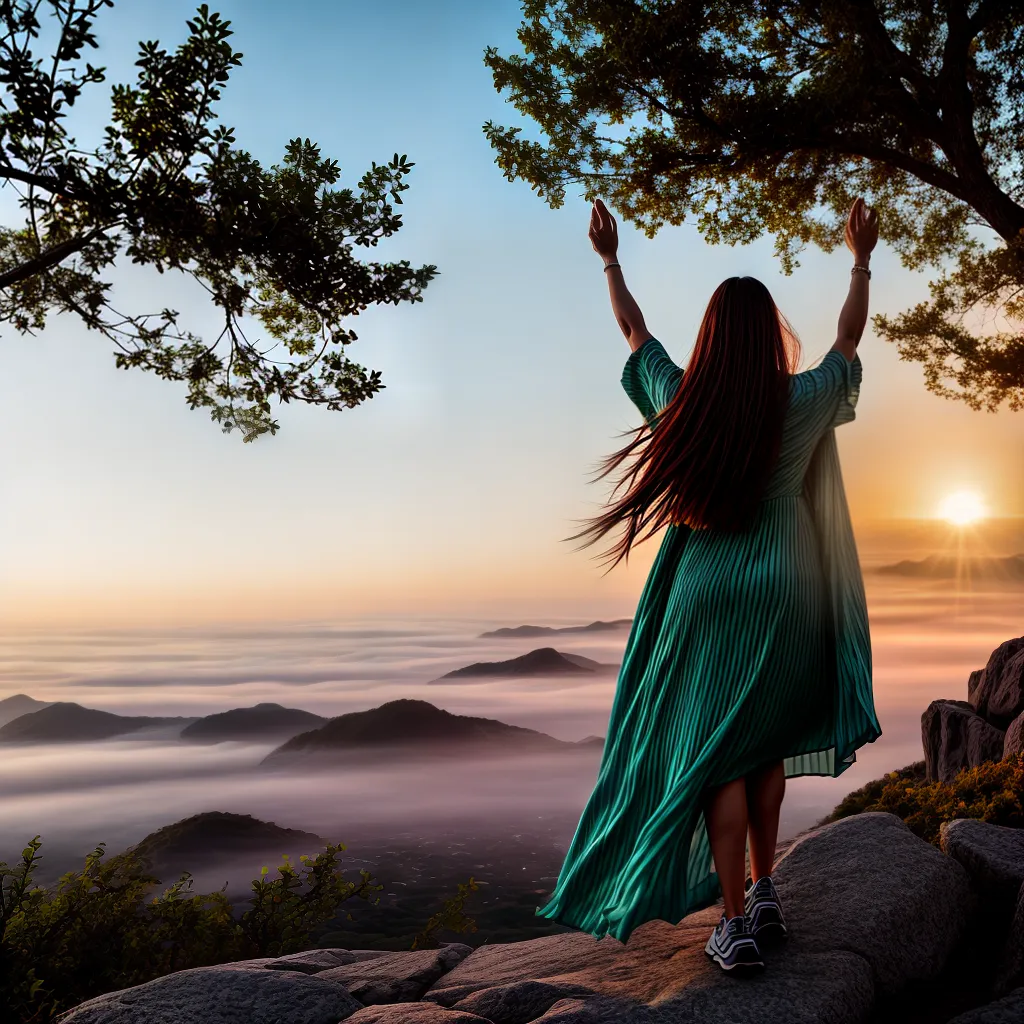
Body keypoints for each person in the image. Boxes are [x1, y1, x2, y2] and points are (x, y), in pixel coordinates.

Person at [534, 197, 883, 973]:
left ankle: (733, 921)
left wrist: (610, 260)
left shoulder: (683, 402)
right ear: (769, 336)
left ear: (712, 338)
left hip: (707, 590)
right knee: (762, 742)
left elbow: (634, 332)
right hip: (788, 587)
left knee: (717, 754)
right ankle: (764, 889)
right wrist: (860, 260)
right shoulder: (802, 401)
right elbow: (848, 340)